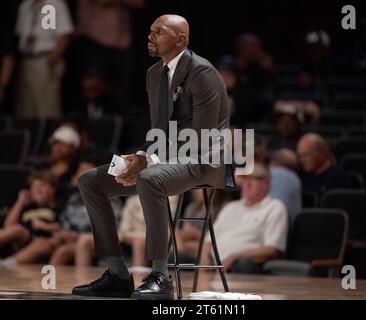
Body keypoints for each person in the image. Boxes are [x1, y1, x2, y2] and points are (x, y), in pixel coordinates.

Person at [72, 14, 229, 299]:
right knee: (90, 181)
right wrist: (142, 154)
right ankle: (118, 274)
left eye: (159, 31)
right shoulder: (154, 74)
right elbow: (160, 129)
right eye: (150, 31)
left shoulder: (202, 72)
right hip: (168, 158)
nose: (151, 36)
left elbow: (203, 135)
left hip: (204, 159)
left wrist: (151, 162)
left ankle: (160, 275)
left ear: (181, 39)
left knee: (148, 179)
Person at [201, 163, 288, 274]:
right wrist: (203, 260)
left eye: (252, 180)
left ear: (266, 184)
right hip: (212, 263)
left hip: (239, 264)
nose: (246, 184)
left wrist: (234, 257)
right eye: (245, 180)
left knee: (245, 265)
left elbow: (272, 249)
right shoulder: (230, 207)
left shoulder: (275, 207)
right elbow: (208, 241)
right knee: (179, 257)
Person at [14, 0, 74, 119]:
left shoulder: (54, 4)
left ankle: (48, 135)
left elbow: (64, 36)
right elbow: (20, 33)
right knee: (25, 109)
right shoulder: (25, 5)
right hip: (26, 59)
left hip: (44, 59)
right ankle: (30, 136)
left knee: (47, 108)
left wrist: (51, 60)